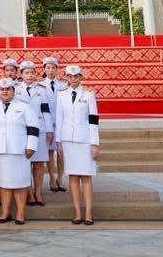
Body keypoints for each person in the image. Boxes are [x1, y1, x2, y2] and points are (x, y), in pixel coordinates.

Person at [0, 77, 39, 225]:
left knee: (20, 183)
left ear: (14, 91)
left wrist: (31, 146)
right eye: (2, 89)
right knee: (3, 183)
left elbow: (33, 127)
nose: (5, 92)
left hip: (19, 150)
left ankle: (20, 213)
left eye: (8, 89)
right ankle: (5, 212)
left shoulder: (24, 106)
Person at [56, 65, 100, 225]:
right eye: (70, 76)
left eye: (76, 76)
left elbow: (93, 120)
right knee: (73, 177)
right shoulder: (61, 95)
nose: (73, 79)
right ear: (66, 77)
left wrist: (95, 143)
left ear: (81, 77)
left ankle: (88, 213)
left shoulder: (88, 94)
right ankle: (77, 213)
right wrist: (59, 142)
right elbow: (59, 119)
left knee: (86, 177)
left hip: (85, 140)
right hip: (68, 140)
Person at [17, 60, 54, 206]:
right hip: (22, 130)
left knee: (39, 164)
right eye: (26, 72)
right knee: (25, 162)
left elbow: (46, 110)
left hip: (40, 129)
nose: (30, 75)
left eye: (32, 72)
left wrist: (49, 130)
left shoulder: (41, 89)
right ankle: (29, 192)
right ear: (21, 74)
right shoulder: (15, 89)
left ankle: (38, 192)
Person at [40, 56, 68, 192]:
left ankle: (60, 178)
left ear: (57, 69)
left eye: (53, 68)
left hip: (61, 123)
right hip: (48, 123)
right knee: (50, 152)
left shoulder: (63, 86)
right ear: (44, 69)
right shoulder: (40, 85)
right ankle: (52, 178)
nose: (50, 70)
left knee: (61, 152)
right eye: (48, 68)